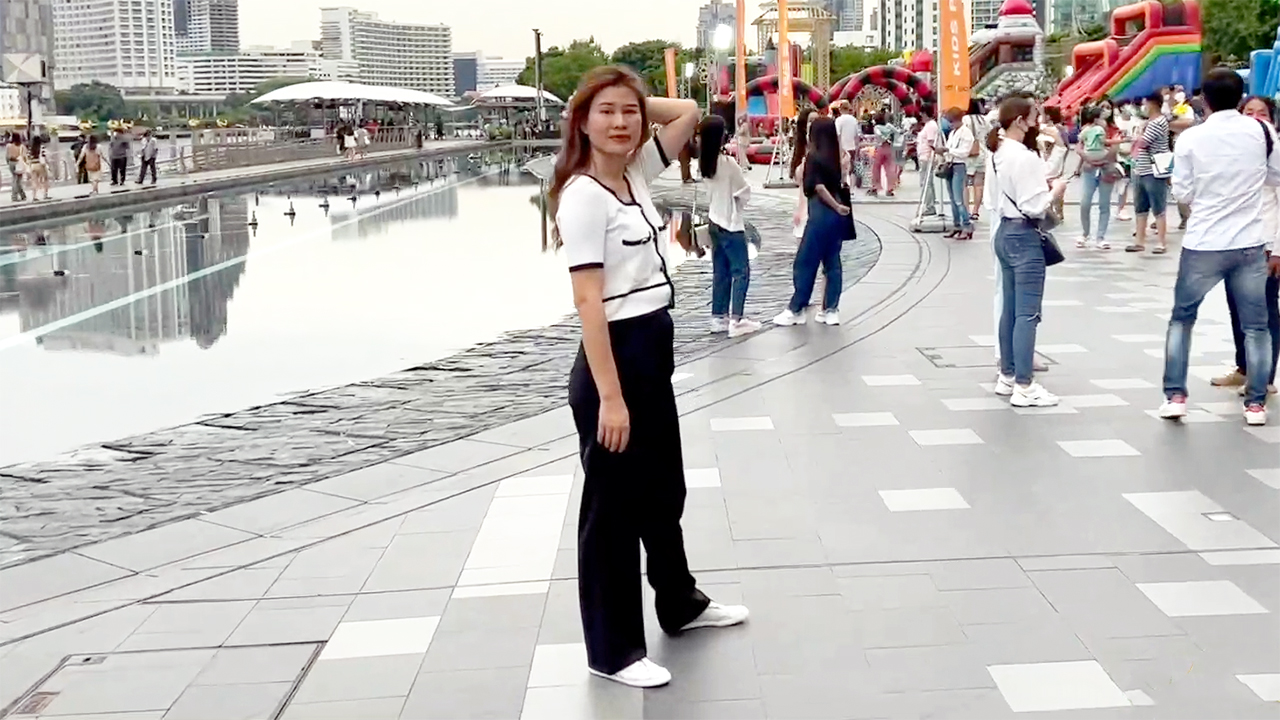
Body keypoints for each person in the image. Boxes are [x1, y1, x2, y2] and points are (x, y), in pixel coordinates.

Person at [549, 65, 749, 689]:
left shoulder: (633, 176)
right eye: (604, 111)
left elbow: (687, 112)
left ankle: (680, 602)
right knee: (611, 510)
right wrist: (611, 397)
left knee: (663, 490)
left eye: (629, 112)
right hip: (615, 358)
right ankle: (610, 650)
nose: (620, 122)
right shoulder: (583, 194)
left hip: (652, 347)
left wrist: (638, 98)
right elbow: (588, 303)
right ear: (581, 121)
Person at [1159, 69, 1280, 426]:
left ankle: (1175, 396)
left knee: (1182, 319)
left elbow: (1182, 192)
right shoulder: (1262, 130)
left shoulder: (1192, 138)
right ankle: (1256, 403)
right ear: (1240, 96)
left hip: (1204, 241)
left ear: (1204, 100)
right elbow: (1275, 175)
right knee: (1256, 325)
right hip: (1249, 241)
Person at [989, 96, 1068, 407]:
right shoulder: (1025, 157)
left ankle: (1007, 375)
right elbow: (1034, 206)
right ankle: (1025, 384)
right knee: (1027, 313)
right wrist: (1055, 192)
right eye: (1035, 118)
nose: (1038, 124)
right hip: (1024, 235)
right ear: (1020, 121)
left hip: (1004, 232)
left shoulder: (997, 152)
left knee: (1009, 309)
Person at [1213, 95, 1280, 396]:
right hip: (1234, 243)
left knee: (1263, 311)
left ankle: (1264, 378)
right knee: (1237, 308)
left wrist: (1277, 248)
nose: (1255, 117)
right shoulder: (1234, 151)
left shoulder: (1275, 151)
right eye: (1248, 112)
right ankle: (1244, 368)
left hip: (1265, 245)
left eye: (1262, 113)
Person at [775, 116, 850, 326]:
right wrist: (839, 207)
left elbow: (816, 186)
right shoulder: (837, 157)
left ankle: (796, 308)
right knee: (832, 263)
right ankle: (831, 309)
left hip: (819, 212)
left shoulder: (813, 157)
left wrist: (834, 206)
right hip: (836, 217)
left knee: (805, 262)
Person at [699, 115, 761, 338]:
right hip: (731, 224)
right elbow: (743, 191)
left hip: (714, 221)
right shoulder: (728, 164)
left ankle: (718, 316)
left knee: (720, 271)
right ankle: (737, 319)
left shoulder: (704, 163)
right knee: (741, 271)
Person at [1128, 92, 1171, 253]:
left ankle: (1161, 242)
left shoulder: (1158, 122)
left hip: (1154, 169)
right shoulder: (1150, 122)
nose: (1143, 107)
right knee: (1141, 206)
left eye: (1145, 104)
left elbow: (1143, 142)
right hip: (1142, 167)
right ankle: (1139, 241)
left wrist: (1136, 137)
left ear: (1152, 104)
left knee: (1158, 206)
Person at [1076, 105, 1118, 250]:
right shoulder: (1088, 130)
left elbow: (1114, 149)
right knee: (1085, 202)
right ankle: (1085, 232)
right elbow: (1080, 147)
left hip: (1106, 167)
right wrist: (1084, 159)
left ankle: (1101, 236)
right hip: (1090, 168)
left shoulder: (1114, 130)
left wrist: (1106, 158)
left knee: (1104, 203)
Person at [943, 107, 976, 239]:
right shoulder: (953, 133)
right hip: (950, 164)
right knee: (952, 198)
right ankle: (957, 225)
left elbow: (964, 152)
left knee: (958, 199)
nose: (950, 124)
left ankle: (967, 225)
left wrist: (948, 150)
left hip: (959, 165)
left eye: (952, 121)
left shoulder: (966, 133)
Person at [964, 99, 990, 221]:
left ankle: (966, 210)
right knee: (978, 185)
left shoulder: (965, 120)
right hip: (982, 152)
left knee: (965, 184)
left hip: (967, 154)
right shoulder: (984, 120)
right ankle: (976, 211)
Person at [790, 108, 812, 240]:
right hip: (806, 208)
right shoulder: (801, 150)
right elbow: (801, 185)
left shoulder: (827, 148)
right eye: (810, 121)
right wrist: (799, 210)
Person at [916, 113, 942, 215]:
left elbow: (932, 142)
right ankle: (929, 204)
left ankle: (930, 206)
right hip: (924, 156)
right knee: (927, 182)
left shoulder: (931, 125)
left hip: (927, 157)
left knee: (926, 182)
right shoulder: (929, 125)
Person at [868, 111, 899, 196]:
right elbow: (897, 132)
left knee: (876, 168)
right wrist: (890, 138)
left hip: (880, 148)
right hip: (889, 148)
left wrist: (883, 139)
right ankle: (890, 188)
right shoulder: (889, 126)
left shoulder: (876, 127)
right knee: (890, 168)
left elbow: (878, 135)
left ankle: (875, 187)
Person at [835, 99, 860, 186]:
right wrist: (857, 147)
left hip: (842, 147)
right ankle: (852, 187)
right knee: (851, 168)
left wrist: (839, 147)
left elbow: (837, 134)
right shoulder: (854, 120)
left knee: (842, 167)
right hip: (852, 147)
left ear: (840, 109)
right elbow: (857, 135)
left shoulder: (839, 120)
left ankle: (844, 183)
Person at [27, 135, 49, 201]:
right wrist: (48, 164)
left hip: (33, 165)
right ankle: (45, 194)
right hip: (40, 165)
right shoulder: (42, 147)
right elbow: (45, 156)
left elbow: (28, 158)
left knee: (34, 181)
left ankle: (34, 196)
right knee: (45, 180)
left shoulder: (30, 149)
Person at [6, 133, 27, 202]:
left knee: (15, 179)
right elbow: (24, 156)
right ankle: (18, 195)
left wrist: (8, 163)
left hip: (11, 163)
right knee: (18, 180)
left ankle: (20, 195)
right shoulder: (22, 146)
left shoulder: (9, 146)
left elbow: (7, 156)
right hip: (19, 163)